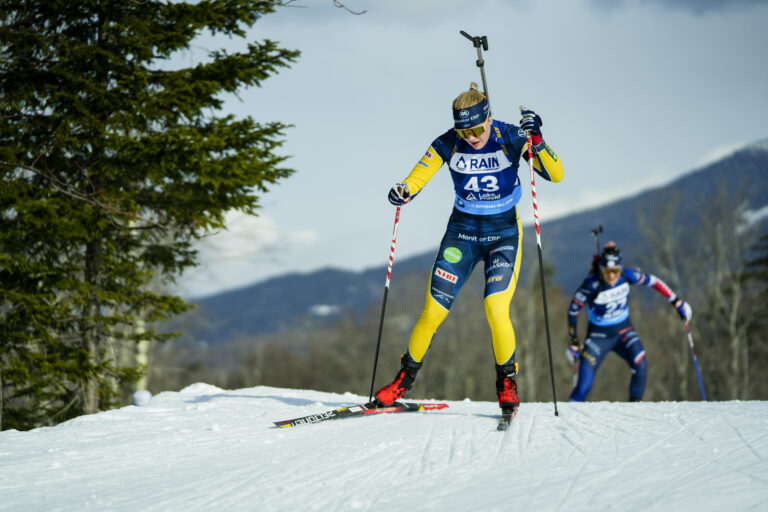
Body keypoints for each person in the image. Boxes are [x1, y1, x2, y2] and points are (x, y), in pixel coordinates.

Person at [373, 83, 564, 415]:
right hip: (461, 234)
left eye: (477, 129)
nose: (472, 137)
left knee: (495, 308)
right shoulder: (449, 142)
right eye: (465, 131)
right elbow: (418, 177)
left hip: (503, 234)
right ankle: (404, 380)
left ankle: (507, 383)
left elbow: (556, 175)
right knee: (433, 310)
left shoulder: (509, 137)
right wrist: (404, 190)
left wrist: (537, 140)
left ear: (488, 118)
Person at [566, 241, 693, 401]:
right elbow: (573, 309)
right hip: (598, 338)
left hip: (624, 332)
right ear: (601, 268)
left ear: (620, 268)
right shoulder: (591, 284)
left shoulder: (627, 275)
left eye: (615, 270)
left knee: (640, 363)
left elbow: (654, 281)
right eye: (607, 271)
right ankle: (565, 422)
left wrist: (676, 301)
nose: (611, 275)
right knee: (584, 385)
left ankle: (634, 411)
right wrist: (573, 340)